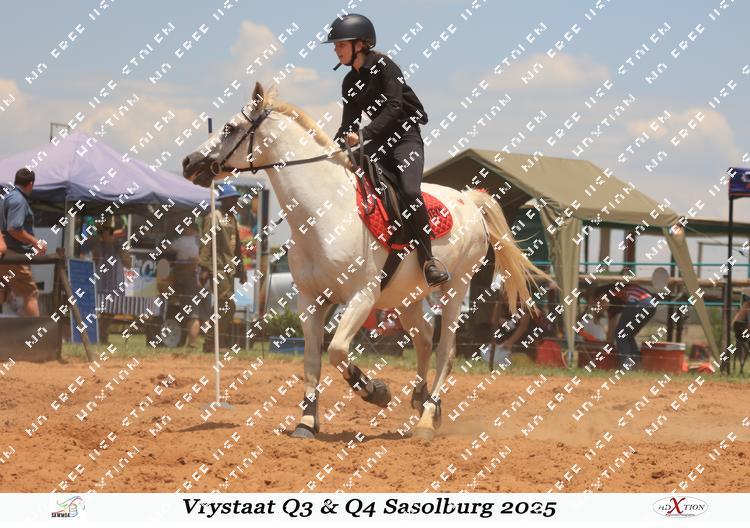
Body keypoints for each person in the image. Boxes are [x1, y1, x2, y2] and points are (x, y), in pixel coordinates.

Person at [325, 13, 449, 287]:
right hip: (378, 142)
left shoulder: (385, 66)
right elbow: (348, 124)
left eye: (340, 44)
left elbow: (394, 108)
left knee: (410, 192)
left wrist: (363, 135)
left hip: (405, 139)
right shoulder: (349, 82)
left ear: (359, 45)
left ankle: (428, 261)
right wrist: (329, 149)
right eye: (335, 46)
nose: (336, 50)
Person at [198, 184, 246, 350]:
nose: (236, 202)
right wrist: (204, 267)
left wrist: (241, 269)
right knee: (226, 304)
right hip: (217, 268)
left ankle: (212, 342)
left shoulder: (232, 218)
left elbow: (237, 246)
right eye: (233, 199)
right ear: (224, 200)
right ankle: (212, 341)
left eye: (236, 199)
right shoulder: (214, 217)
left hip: (229, 269)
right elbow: (206, 242)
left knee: (224, 306)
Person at [0, 168, 46, 316]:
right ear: (31, 184)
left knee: (3, 293)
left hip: (5, 254)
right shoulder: (18, 200)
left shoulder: (7, 197)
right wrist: (35, 242)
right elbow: (14, 229)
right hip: (13, 256)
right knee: (29, 293)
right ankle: (35, 331)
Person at [84, 223, 131, 344]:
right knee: (102, 311)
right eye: (102, 234)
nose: (105, 237)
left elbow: (128, 264)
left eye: (108, 234)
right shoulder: (98, 246)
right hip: (101, 285)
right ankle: (99, 336)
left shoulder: (119, 246)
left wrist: (120, 248)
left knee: (111, 311)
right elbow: (94, 261)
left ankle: (101, 335)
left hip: (115, 285)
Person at [594, 283, 656, 368]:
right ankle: (636, 366)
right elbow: (611, 331)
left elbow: (604, 302)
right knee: (628, 335)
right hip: (651, 304)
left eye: (595, 306)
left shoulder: (605, 292)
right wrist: (607, 346)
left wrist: (596, 315)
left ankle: (625, 366)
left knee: (622, 334)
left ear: (597, 299)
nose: (596, 309)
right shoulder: (614, 307)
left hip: (638, 301)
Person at [172, 224, 208, 349]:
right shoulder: (205, 242)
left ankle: (192, 343)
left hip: (192, 282)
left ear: (190, 229)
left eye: (184, 228)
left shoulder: (185, 241)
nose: (182, 230)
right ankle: (211, 342)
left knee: (193, 315)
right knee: (205, 315)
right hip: (205, 283)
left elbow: (165, 248)